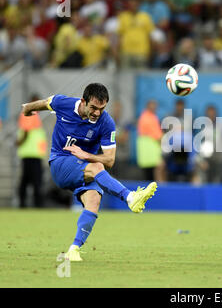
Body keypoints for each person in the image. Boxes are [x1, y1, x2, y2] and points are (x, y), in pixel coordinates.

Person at [20, 83, 158, 261]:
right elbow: (45, 103)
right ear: (83, 101)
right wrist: (28, 108)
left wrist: (85, 154)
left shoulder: (106, 122)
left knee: (93, 200)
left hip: (86, 166)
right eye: (93, 108)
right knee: (96, 167)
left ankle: (74, 249)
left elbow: (109, 160)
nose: (97, 113)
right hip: (60, 163)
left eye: (101, 108)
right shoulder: (64, 103)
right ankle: (130, 198)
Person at [16, 94, 48, 208]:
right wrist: (20, 142)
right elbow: (26, 130)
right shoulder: (30, 114)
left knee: (27, 180)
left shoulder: (35, 115)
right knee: (35, 181)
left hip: (33, 153)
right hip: (31, 153)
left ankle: (24, 204)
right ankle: (36, 205)